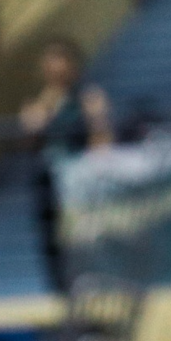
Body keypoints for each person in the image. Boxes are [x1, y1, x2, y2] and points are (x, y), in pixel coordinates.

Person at [19, 39, 114, 293]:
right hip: (50, 178)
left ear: (73, 68)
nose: (56, 75)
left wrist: (97, 168)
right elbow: (31, 133)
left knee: (85, 233)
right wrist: (48, 101)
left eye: (61, 70)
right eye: (51, 70)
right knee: (53, 235)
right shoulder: (39, 102)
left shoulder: (88, 97)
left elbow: (101, 135)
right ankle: (61, 287)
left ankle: (94, 280)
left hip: (80, 176)